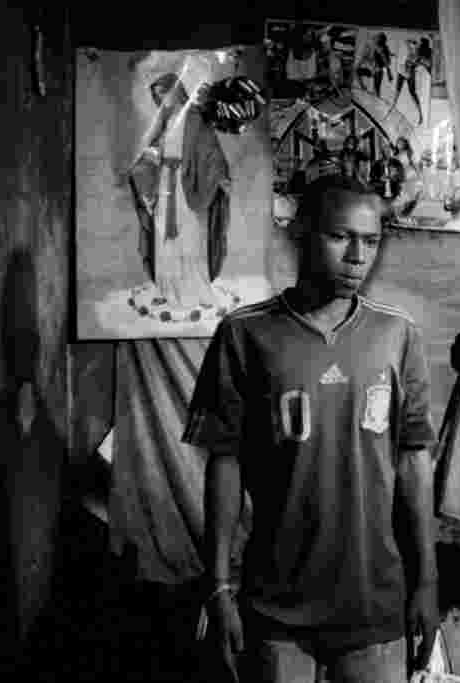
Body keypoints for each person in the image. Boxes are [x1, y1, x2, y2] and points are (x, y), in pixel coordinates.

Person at [186, 174, 440, 683]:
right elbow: (225, 464)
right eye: (340, 236)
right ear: (303, 233)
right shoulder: (245, 334)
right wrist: (217, 587)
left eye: (371, 241)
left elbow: (414, 465)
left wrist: (427, 582)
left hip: (376, 605)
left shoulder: (398, 335)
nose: (357, 257)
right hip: (275, 607)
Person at [128, 72, 229, 307]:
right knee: (165, 238)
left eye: (164, 95)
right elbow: (159, 149)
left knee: (190, 235)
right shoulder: (165, 120)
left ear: (176, 91)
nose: (162, 101)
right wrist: (149, 158)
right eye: (157, 97)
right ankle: (169, 291)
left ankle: (193, 291)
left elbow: (210, 152)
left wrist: (217, 174)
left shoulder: (195, 117)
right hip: (165, 183)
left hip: (188, 188)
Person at [388, 38, 432, 125]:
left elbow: (427, 64)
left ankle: (420, 115)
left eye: (420, 45)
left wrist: (423, 62)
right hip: (403, 71)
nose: (418, 46)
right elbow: (407, 42)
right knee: (397, 93)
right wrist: (413, 43)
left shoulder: (421, 55)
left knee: (412, 93)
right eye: (419, 45)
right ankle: (391, 109)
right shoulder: (415, 49)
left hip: (409, 74)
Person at [356, 32, 394, 99]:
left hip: (377, 72)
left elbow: (386, 62)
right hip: (372, 70)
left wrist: (389, 73)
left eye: (376, 39)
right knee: (357, 71)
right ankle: (363, 87)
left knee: (376, 90)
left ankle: (376, 95)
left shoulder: (381, 49)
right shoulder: (375, 45)